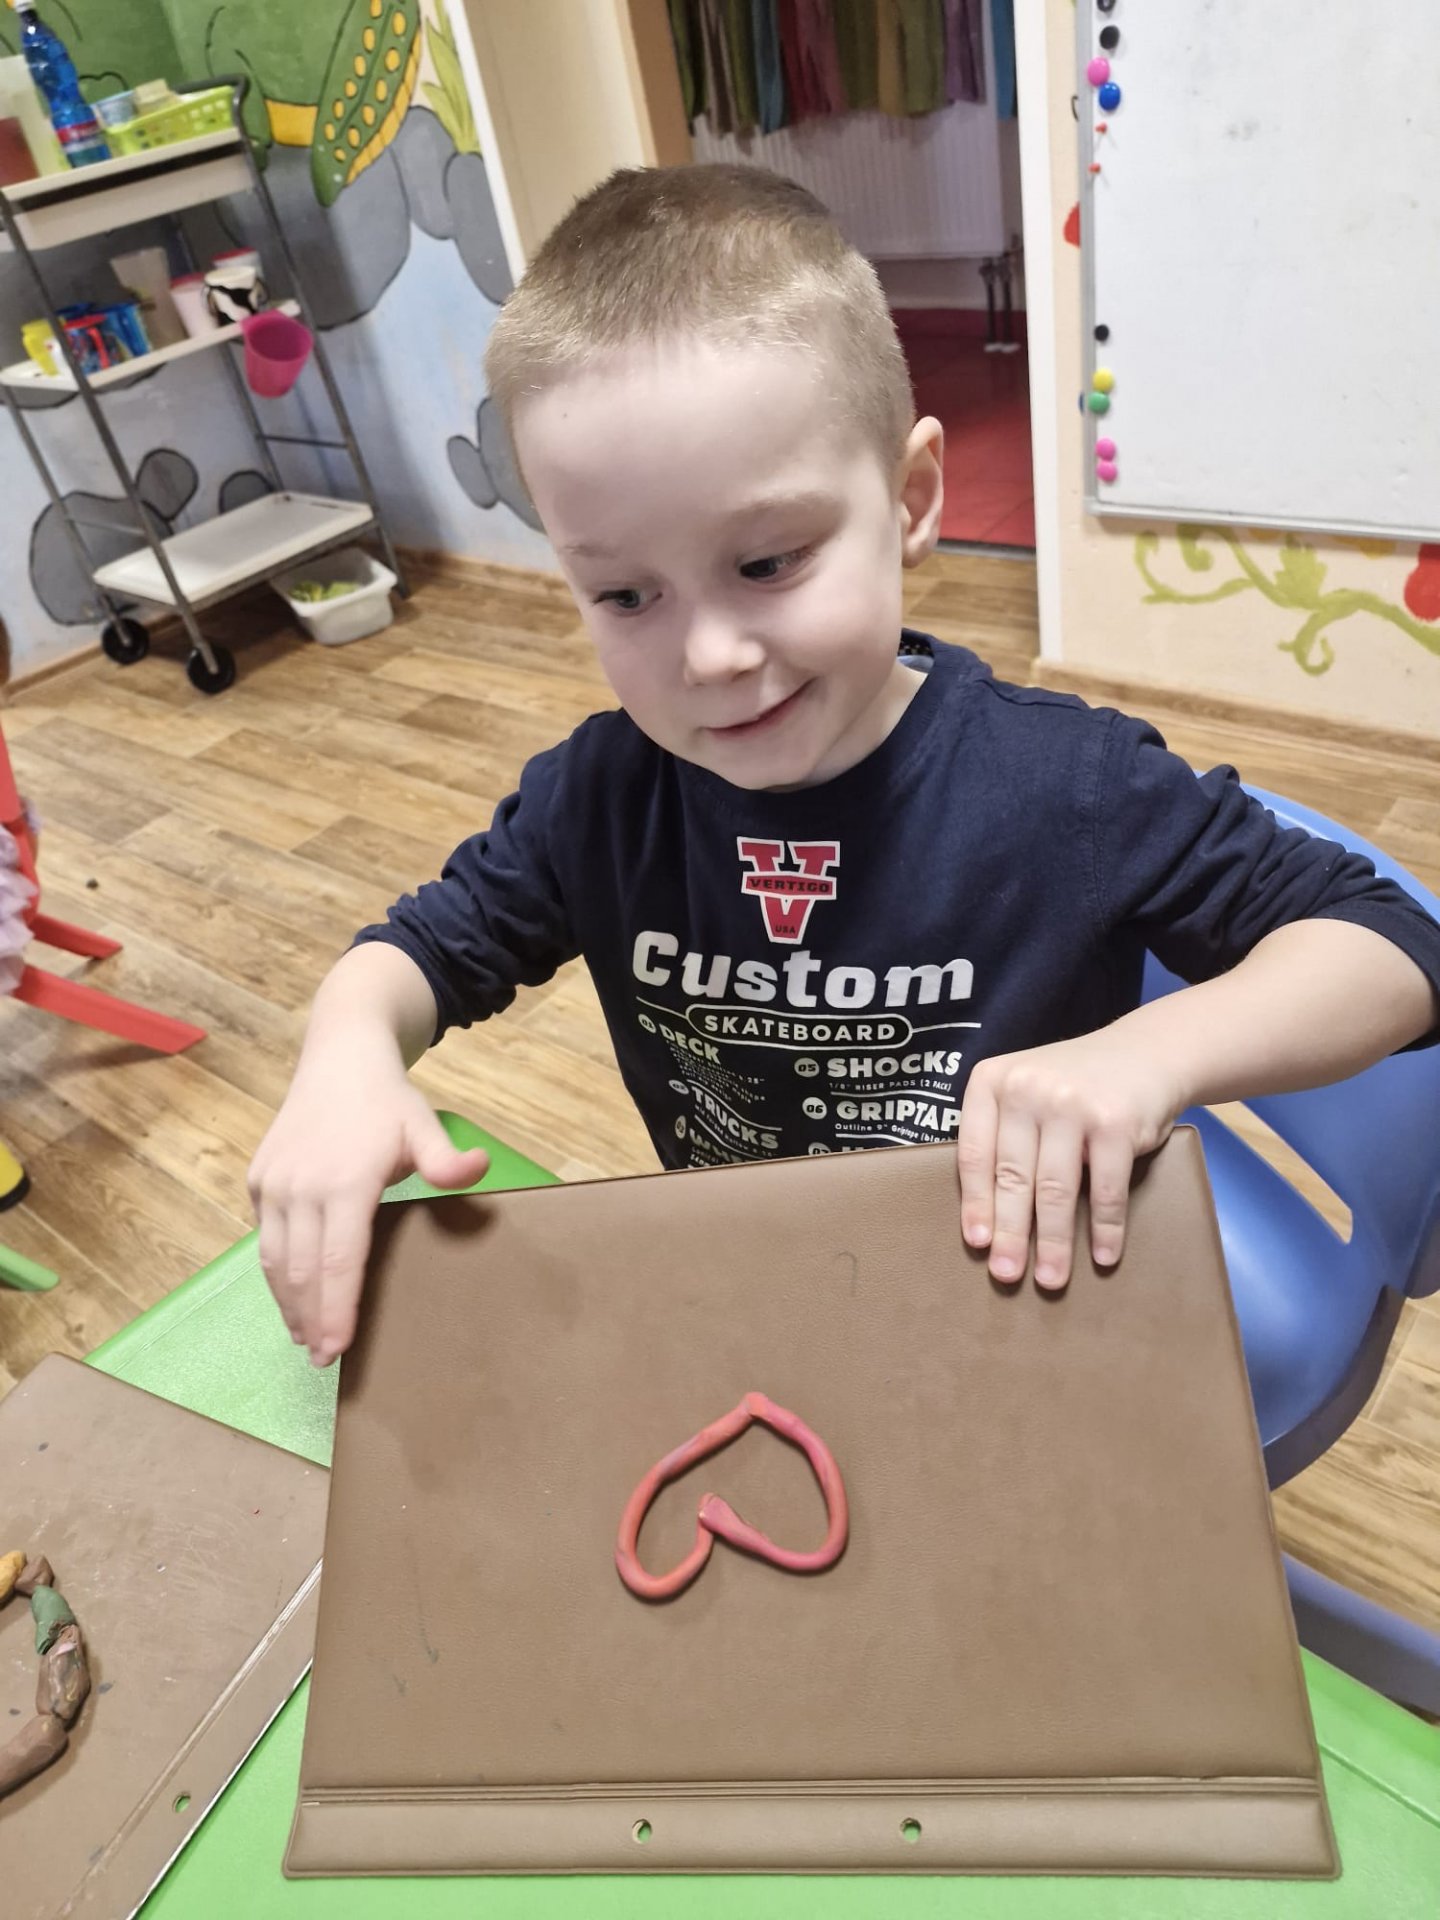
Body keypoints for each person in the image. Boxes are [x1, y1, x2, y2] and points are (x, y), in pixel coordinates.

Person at [250, 165, 1440, 1368]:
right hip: (779, 1298)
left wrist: (1147, 1054)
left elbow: (1393, 947)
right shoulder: (598, 800)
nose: (711, 657)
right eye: (624, 594)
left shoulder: (1068, 788)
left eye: (767, 563)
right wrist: (346, 1056)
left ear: (911, 500)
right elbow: (417, 952)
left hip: (1026, 1313)